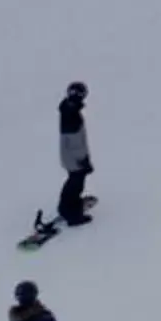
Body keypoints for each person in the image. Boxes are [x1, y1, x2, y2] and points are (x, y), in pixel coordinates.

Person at [56, 82, 93, 226]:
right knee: (76, 182)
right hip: (74, 158)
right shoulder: (72, 115)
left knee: (75, 181)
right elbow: (75, 140)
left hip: (70, 156)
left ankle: (67, 206)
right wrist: (83, 160)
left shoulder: (68, 110)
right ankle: (70, 213)